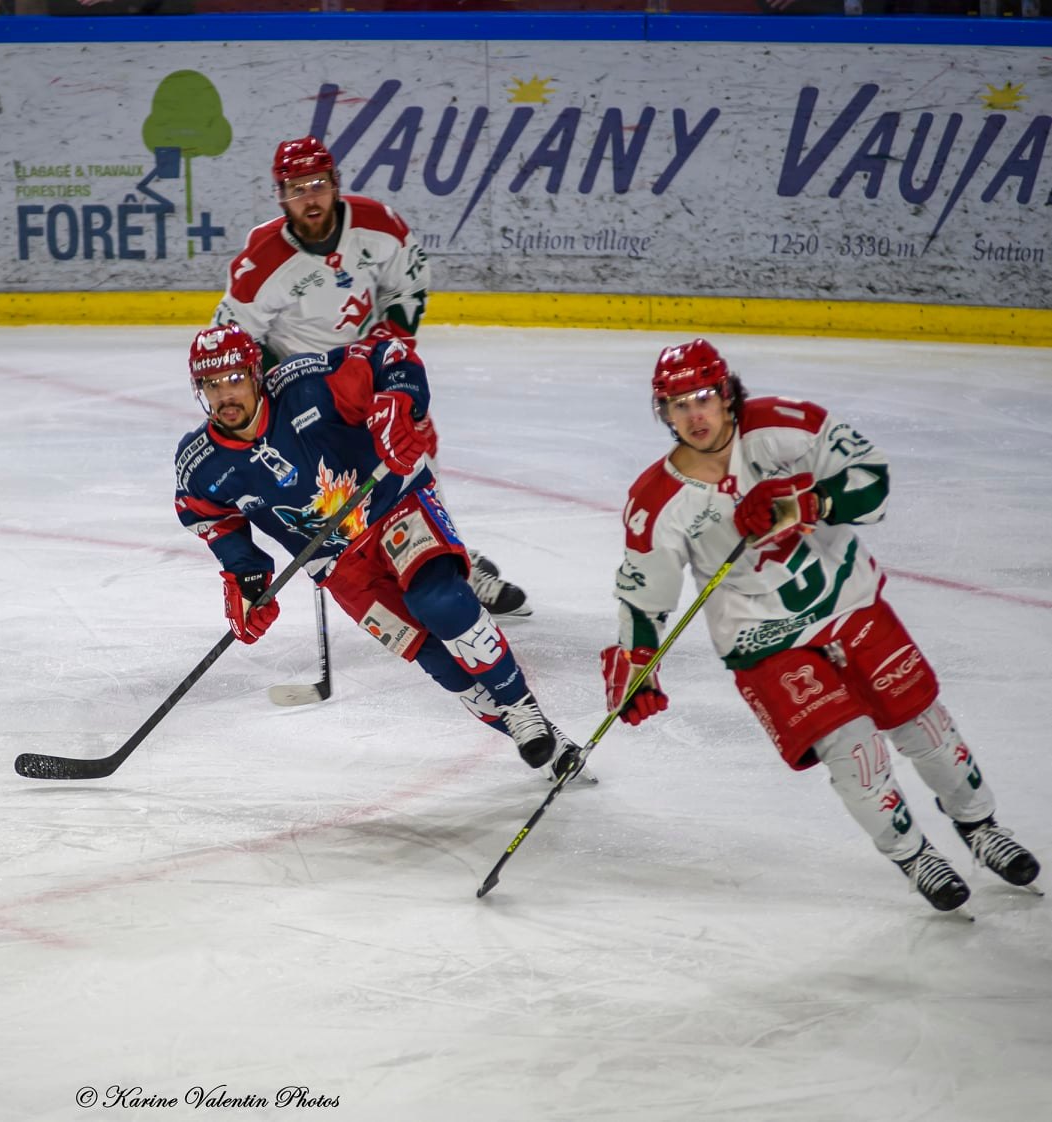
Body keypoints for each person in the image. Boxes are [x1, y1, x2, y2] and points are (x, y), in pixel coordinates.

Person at [604, 340, 1040, 912]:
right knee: (853, 751)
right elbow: (644, 601)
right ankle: (913, 855)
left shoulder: (787, 426)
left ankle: (980, 828)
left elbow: (873, 481)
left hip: (849, 603)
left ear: (729, 393)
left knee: (924, 728)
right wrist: (637, 662)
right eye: (678, 404)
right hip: (762, 639)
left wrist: (802, 503)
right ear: (662, 411)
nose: (695, 416)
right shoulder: (656, 499)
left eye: (705, 398)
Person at [174, 322, 574, 770]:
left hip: (394, 505)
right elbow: (210, 517)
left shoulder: (307, 385)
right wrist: (246, 578)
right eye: (212, 384)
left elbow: (391, 356)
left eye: (234, 379)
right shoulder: (201, 464)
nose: (226, 395)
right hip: (340, 567)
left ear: (255, 373)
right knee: (436, 659)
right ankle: (553, 747)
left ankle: (521, 707)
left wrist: (398, 407)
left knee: (437, 600)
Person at [212, 134, 529, 619]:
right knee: (329, 498)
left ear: (335, 183)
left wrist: (381, 352)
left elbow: (410, 284)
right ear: (280, 195)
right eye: (296, 189)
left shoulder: (380, 226)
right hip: (301, 395)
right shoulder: (261, 261)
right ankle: (388, 579)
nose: (309, 198)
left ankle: (451, 566)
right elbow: (234, 341)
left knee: (414, 455)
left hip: (367, 377)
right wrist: (275, 394)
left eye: (317, 184)